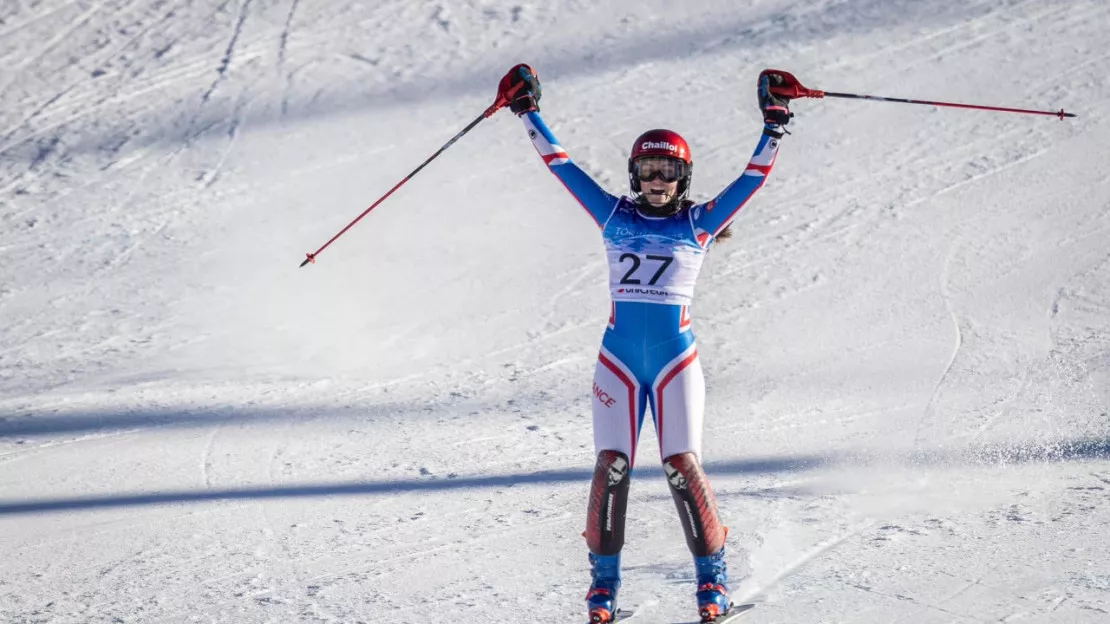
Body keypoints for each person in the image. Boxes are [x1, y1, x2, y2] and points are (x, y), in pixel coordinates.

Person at [496, 64, 793, 624]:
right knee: (611, 467)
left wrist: (774, 124)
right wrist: (526, 110)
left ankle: (713, 581)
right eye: (648, 170)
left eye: (667, 172)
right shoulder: (613, 215)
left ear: (683, 177)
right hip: (618, 364)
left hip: (677, 364)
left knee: (682, 465)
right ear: (635, 174)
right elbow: (562, 165)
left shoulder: (700, 223)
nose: (656, 181)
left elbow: (752, 178)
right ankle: (602, 588)